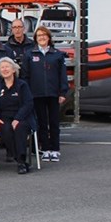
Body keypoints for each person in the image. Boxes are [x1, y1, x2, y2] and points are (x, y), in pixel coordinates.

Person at [22, 26, 69, 163]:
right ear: (35, 38)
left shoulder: (57, 55)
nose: (42, 37)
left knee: (54, 122)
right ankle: (46, 149)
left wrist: (62, 92)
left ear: (49, 37)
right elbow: (25, 76)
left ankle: (55, 149)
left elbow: (62, 75)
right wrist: (28, 93)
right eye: (39, 35)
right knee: (41, 123)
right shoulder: (29, 54)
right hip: (37, 94)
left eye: (44, 35)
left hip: (54, 94)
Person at [0, 57, 35, 174]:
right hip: (3, 117)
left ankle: (20, 162)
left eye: (7, 67)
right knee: (6, 129)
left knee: (19, 128)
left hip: (22, 116)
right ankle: (19, 159)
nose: (5, 69)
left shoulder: (22, 85)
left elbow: (28, 103)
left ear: (14, 69)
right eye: (2, 67)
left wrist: (17, 118)